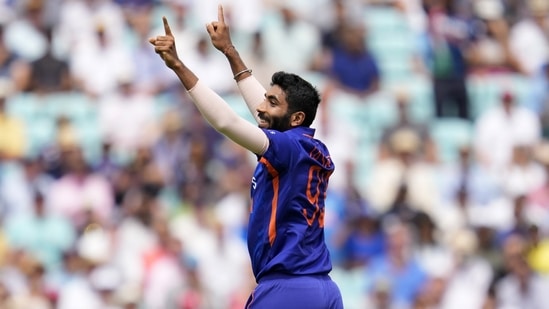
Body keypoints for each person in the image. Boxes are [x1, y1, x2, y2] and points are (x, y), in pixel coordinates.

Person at [149, 5, 344, 309]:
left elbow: (228, 122)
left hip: (286, 289)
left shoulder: (287, 148)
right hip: (324, 290)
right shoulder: (308, 145)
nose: (262, 107)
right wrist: (229, 51)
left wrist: (178, 66)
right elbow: (261, 111)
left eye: (273, 102)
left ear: (296, 118)